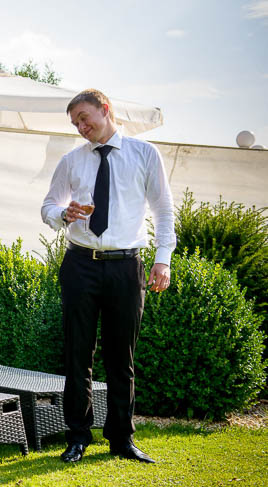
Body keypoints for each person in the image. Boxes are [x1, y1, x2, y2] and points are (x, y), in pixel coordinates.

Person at [41, 89, 175, 464]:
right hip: (80, 264)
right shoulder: (71, 161)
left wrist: (162, 260)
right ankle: (77, 437)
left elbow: (164, 210)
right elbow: (49, 204)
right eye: (75, 123)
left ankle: (121, 439)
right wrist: (63, 214)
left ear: (106, 110)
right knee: (77, 354)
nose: (81, 127)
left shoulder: (144, 154)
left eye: (85, 118)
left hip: (125, 267)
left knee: (121, 357)